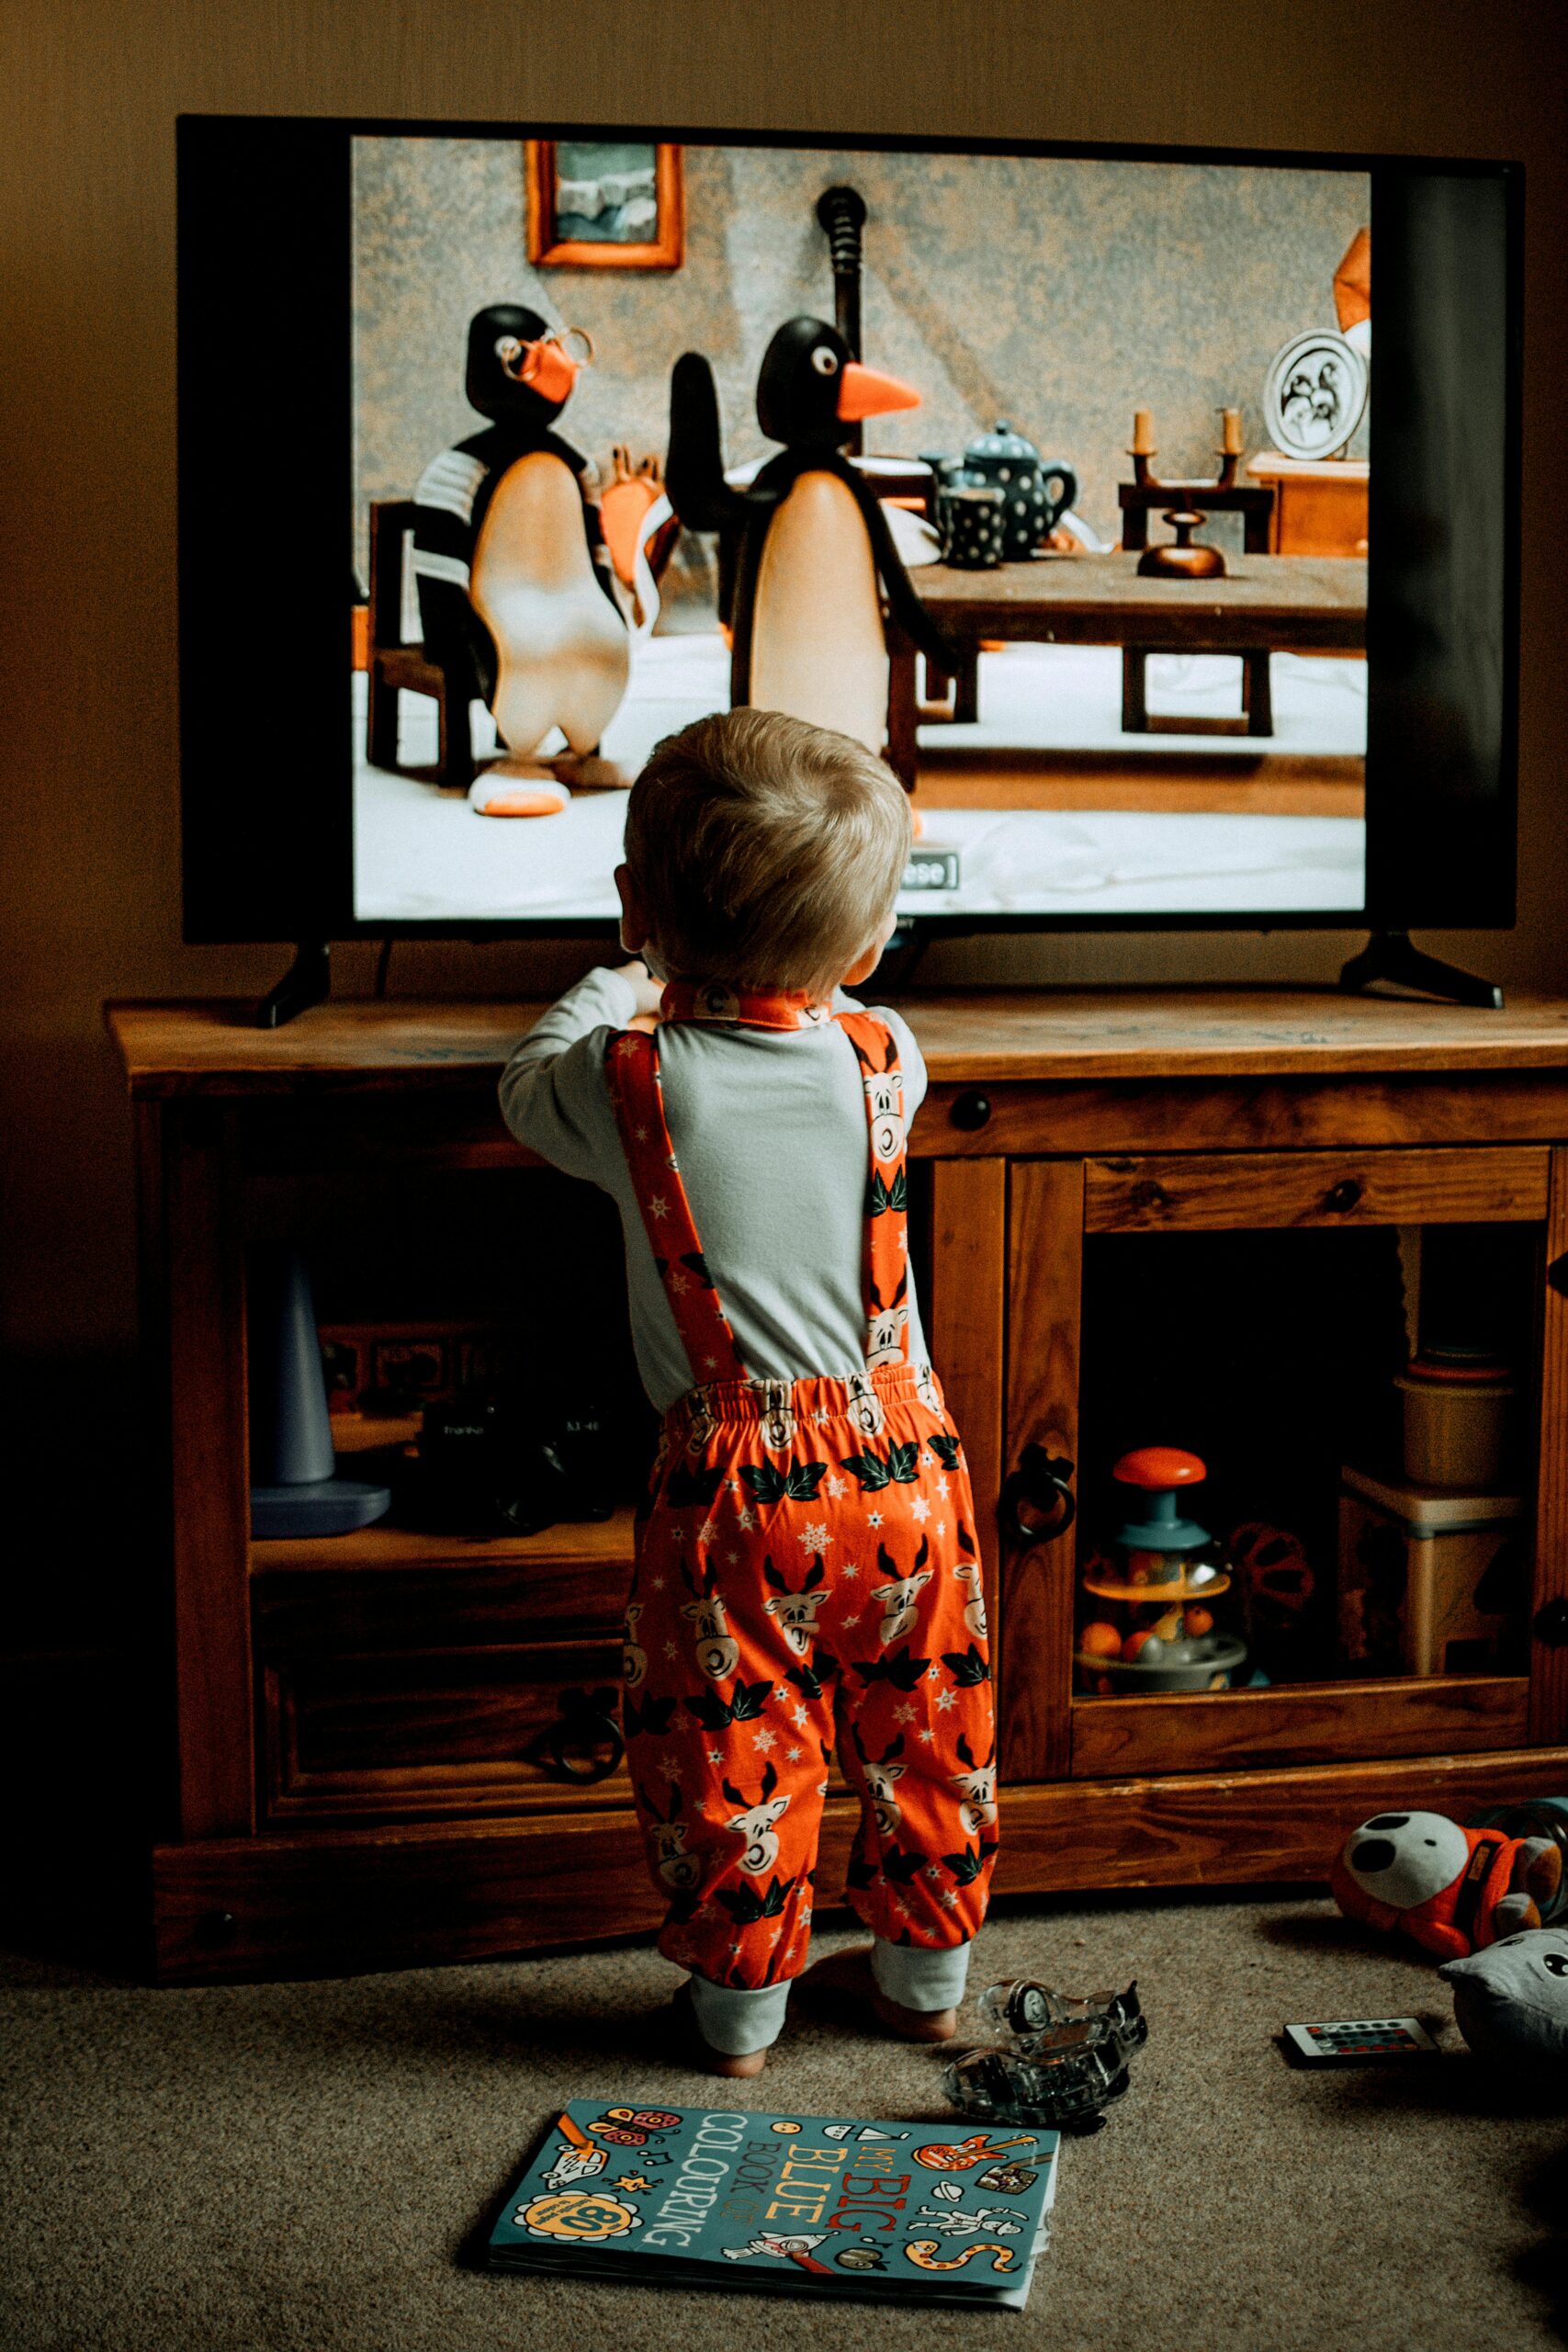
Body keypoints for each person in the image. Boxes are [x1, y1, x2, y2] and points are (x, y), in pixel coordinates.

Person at [500, 708, 997, 2075]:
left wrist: (620, 978)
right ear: (868, 948)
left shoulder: (628, 1084)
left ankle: (737, 2014)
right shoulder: (890, 1053)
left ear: (633, 905)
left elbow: (517, 1086)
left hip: (732, 1497)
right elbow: (826, 1010)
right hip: (908, 1469)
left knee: (733, 1747)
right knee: (928, 1728)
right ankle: (926, 1981)